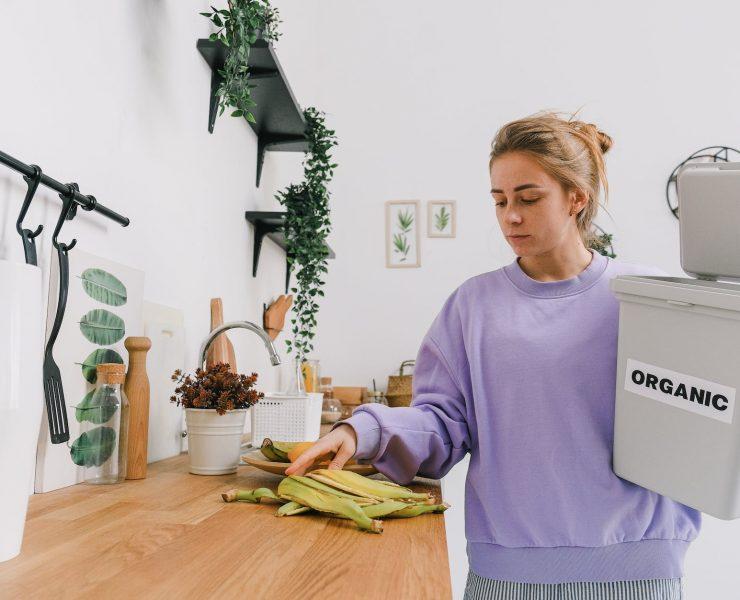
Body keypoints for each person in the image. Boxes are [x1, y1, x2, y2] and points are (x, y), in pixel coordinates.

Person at [285, 110, 700, 599]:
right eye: (500, 201)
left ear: (577, 198)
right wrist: (366, 430)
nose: (511, 216)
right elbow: (441, 423)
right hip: (509, 576)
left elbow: (694, 420)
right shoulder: (473, 305)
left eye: (529, 198)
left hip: (638, 570)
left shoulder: (642, 297)